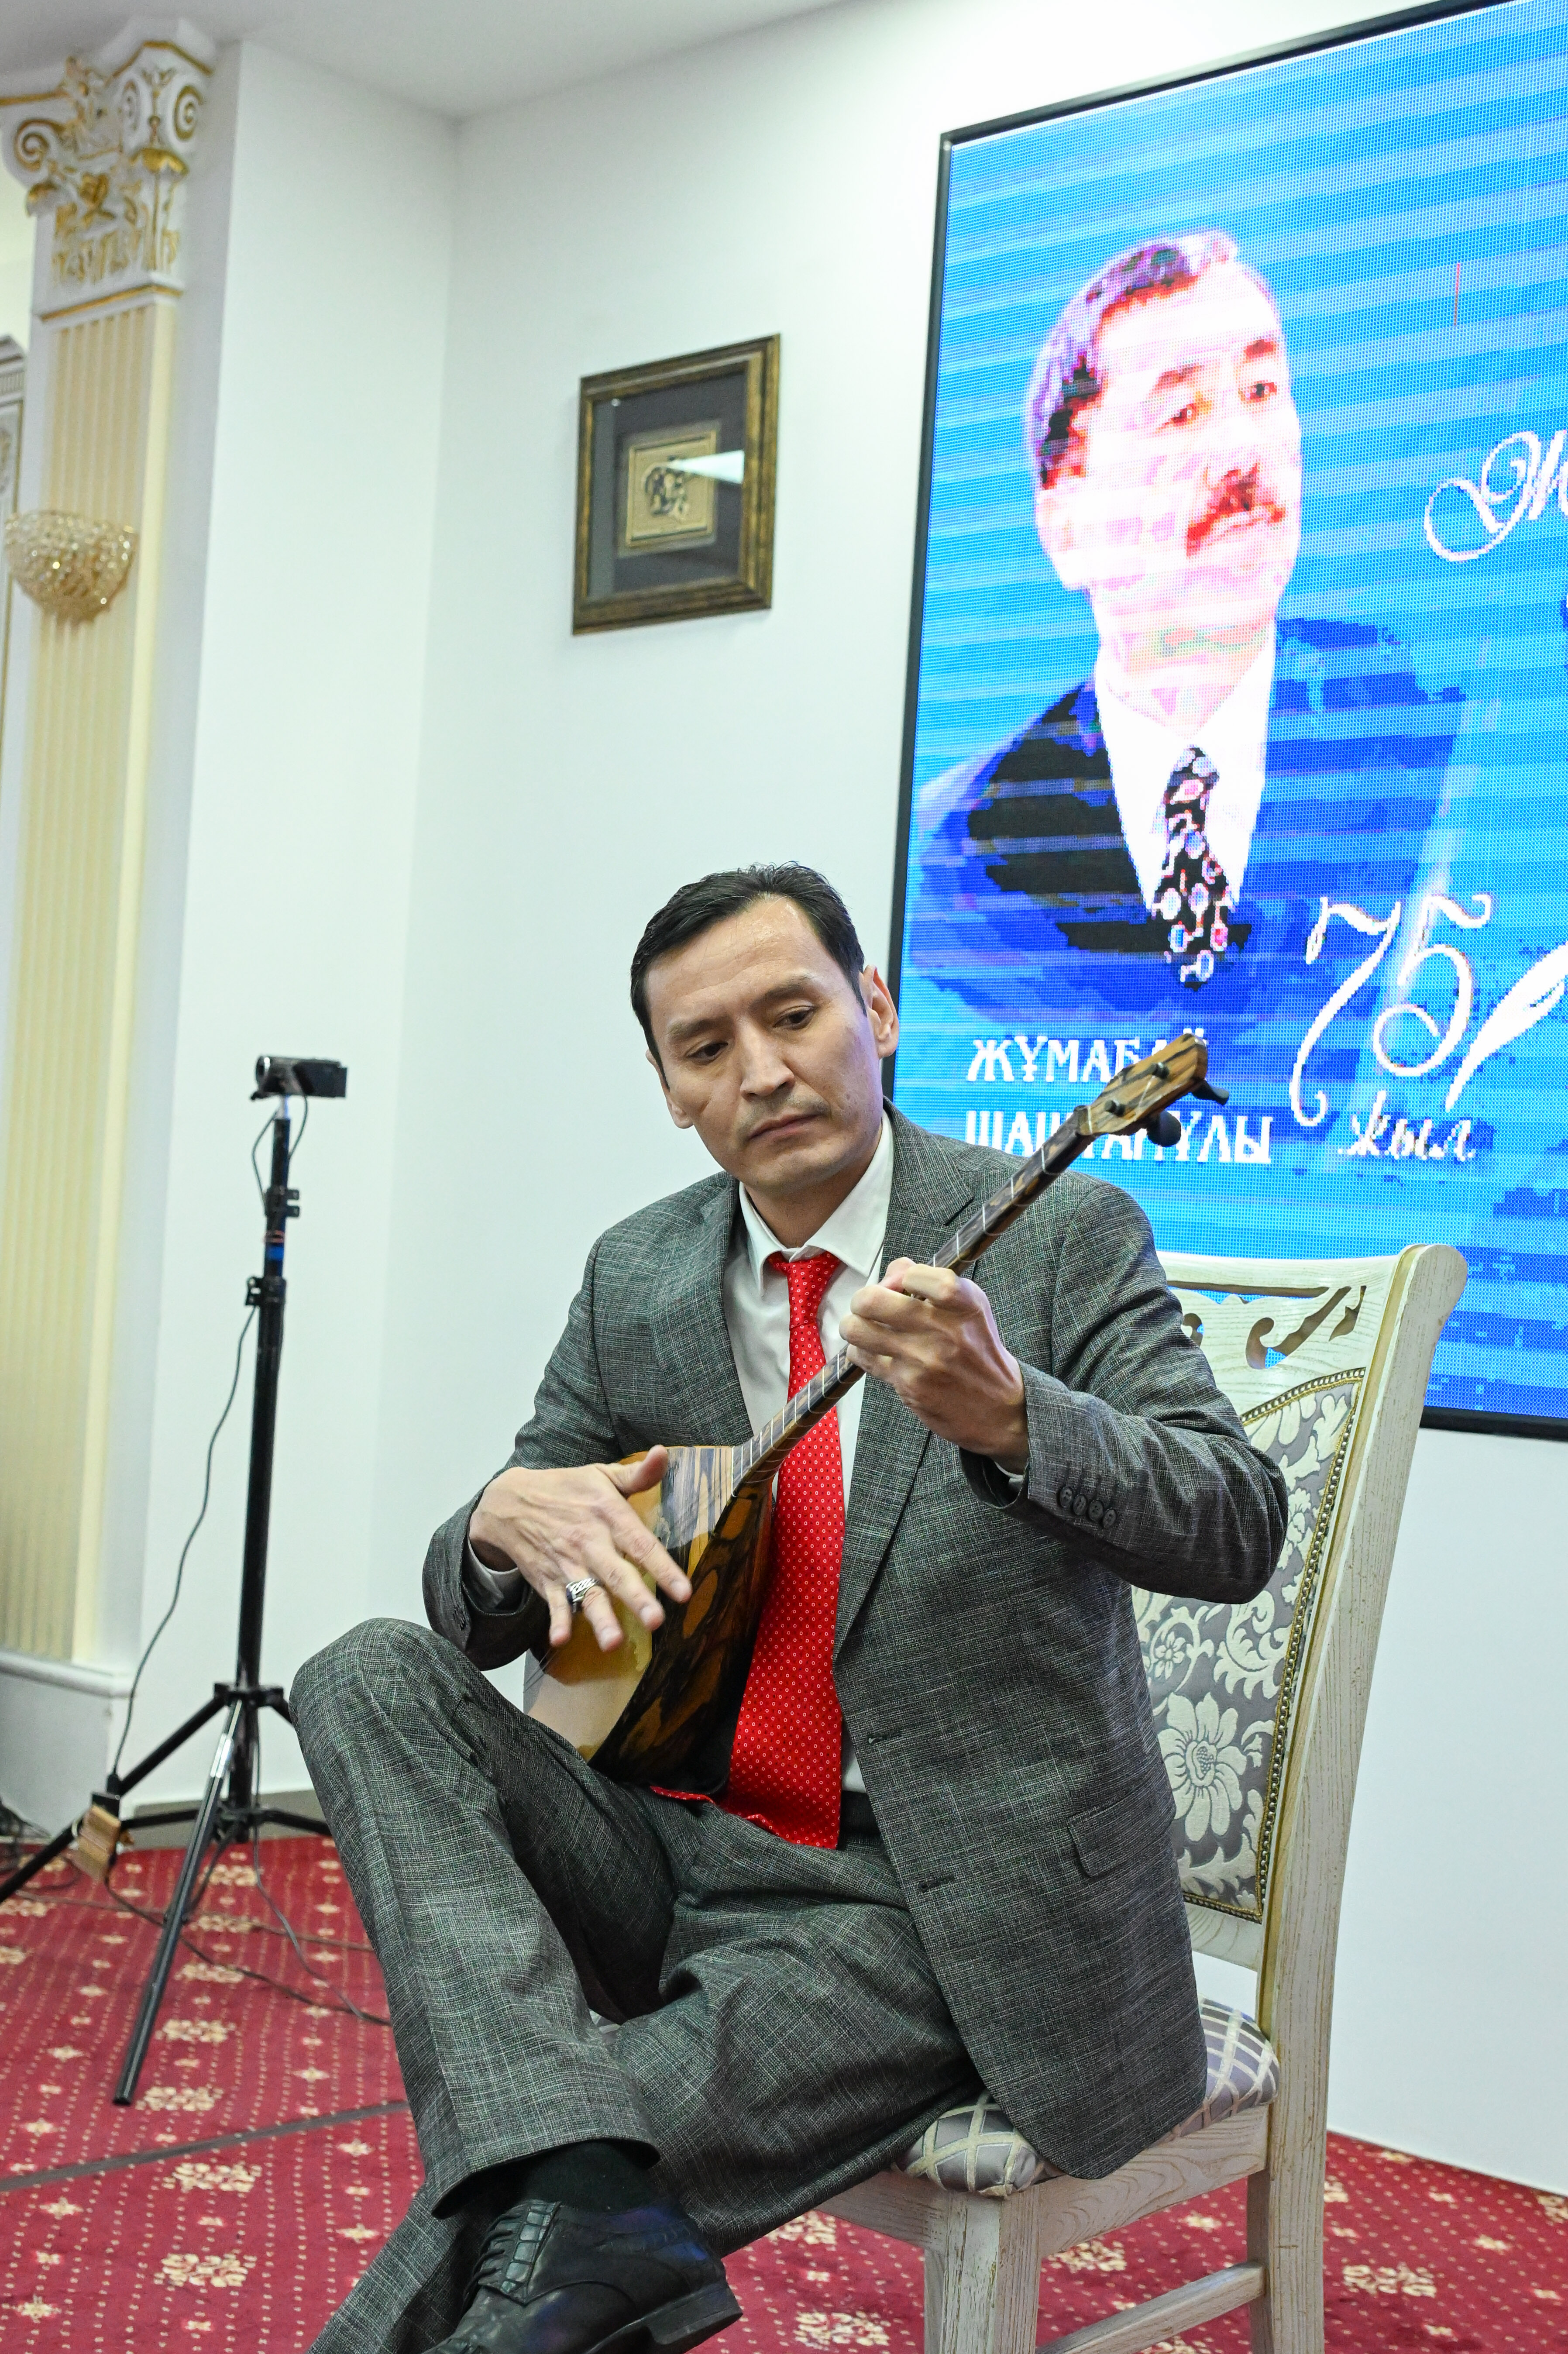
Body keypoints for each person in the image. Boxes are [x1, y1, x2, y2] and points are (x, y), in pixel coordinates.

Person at [292, 863, 1287, 2354]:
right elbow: (498, 1607)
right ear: (669, 1090)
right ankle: (566, 2161)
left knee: (545, 2206)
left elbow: (1237, 1520)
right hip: (682, 1846)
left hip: (933, 1906)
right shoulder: (639, 1274)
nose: (760, 1071)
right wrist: (497, 1527)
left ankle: (564, 2174)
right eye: (707, 1047)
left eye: (794, 1014)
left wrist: (1019, 1419)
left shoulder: (1062, 1234)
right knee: (364, 1671)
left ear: (874, 1009)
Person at [905, 232, 1464, 1131]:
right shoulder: (954, 855)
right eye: (1181, 412)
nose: (1243, 449)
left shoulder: (1441, 756)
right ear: (1064, 523)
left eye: (1260, 391)